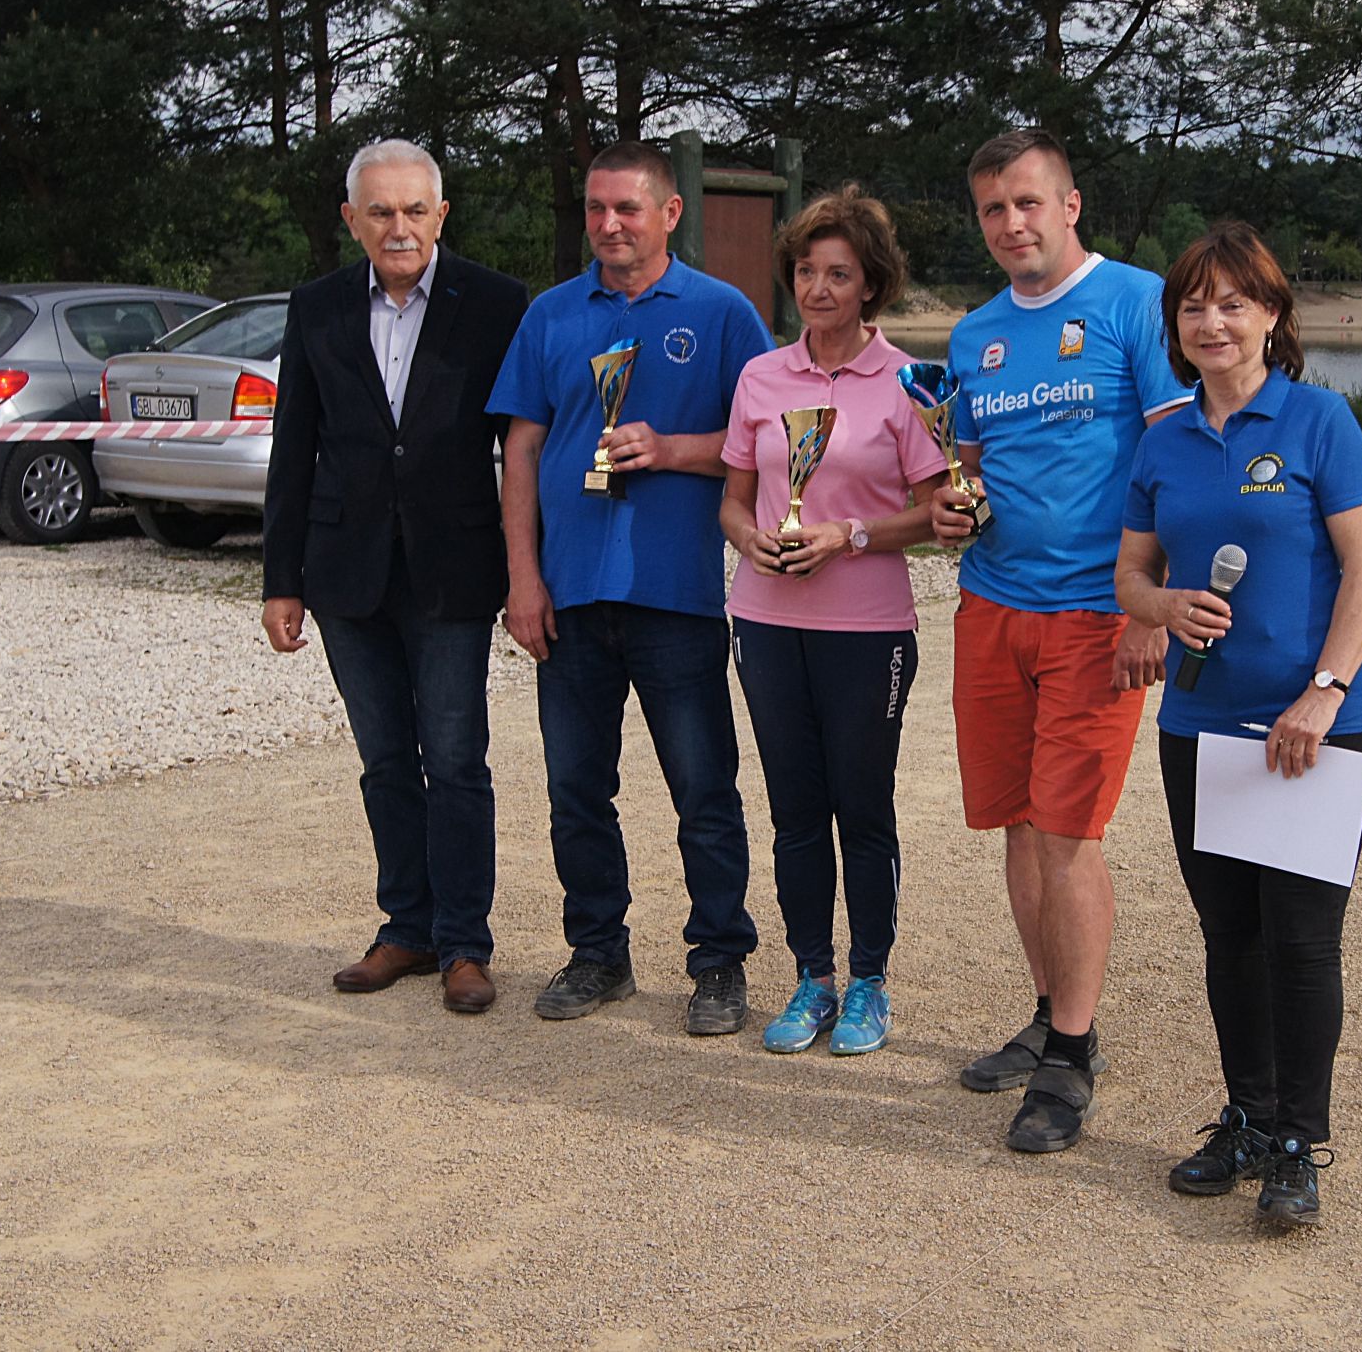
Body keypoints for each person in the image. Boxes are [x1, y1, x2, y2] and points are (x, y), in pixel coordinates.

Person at [1114, 222, 1362, 1226]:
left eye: (1234, 302)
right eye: (1194, 304)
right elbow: (1130, 576)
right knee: (1230, 933)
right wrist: (1161, 609)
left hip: (1317, 725)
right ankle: (1245, 1115)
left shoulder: (1318, 421)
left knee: (1301, 942)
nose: (1212, 320)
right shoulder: (1163, 438)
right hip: (1201, 726)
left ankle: (1296, 1145)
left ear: (1273, 316)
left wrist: (1322, 690)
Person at [932, 128, 1192, 1152]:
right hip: (993, 607)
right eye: (994, 208)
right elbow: (968, 468)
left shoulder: (1134, 301)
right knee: (1017, 825)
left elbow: (1180, 456)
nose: (1012, 224)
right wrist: (957, 509)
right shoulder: (975, 335)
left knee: (1068, 832)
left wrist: (1148, 604)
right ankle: (1049, 1013)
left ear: (1070, 205)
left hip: (1097, 613)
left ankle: (1074, 1055)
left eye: (1029, 202)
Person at [488, 141, 772, 1034]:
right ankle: (597, 953)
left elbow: (767, 440)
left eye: (629, 209)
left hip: (675, 591)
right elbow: (522, 451)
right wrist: (522, 576)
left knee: (704, 790)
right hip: (568, 592)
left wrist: (672, 449)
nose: (609, 225)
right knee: (576, 788)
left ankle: (719, 960)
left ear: (669, 213)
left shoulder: (723, 313)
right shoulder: (551, 314)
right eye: (596, 207)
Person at [261, 139, 528, 1013]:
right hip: (345, 573)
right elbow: (292, 447)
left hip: (452, 570)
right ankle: (405, 928)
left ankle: (464, 942)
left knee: (455, 759)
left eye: (415, 210)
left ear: (442, 215)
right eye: (381, 211)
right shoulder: (318, 307)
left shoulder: (495, 305)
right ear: (353, 220)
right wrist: (279, 579)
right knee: (384, 760)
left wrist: (533, 570)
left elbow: (520, 450)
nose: (400, 227)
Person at [718, 186, 947, 1056]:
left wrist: (846, 535)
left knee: (863, 806)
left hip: (868, 629)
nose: (818, 288)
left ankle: (870, 983)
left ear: (871, 285)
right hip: (766, 618)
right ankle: (811, 976)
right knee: (793, 808)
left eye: (839, 274)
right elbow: (735, 504)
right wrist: (757, 541)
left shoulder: (907, 382)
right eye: (807, 271)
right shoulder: (760, 377)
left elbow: (937, 510)